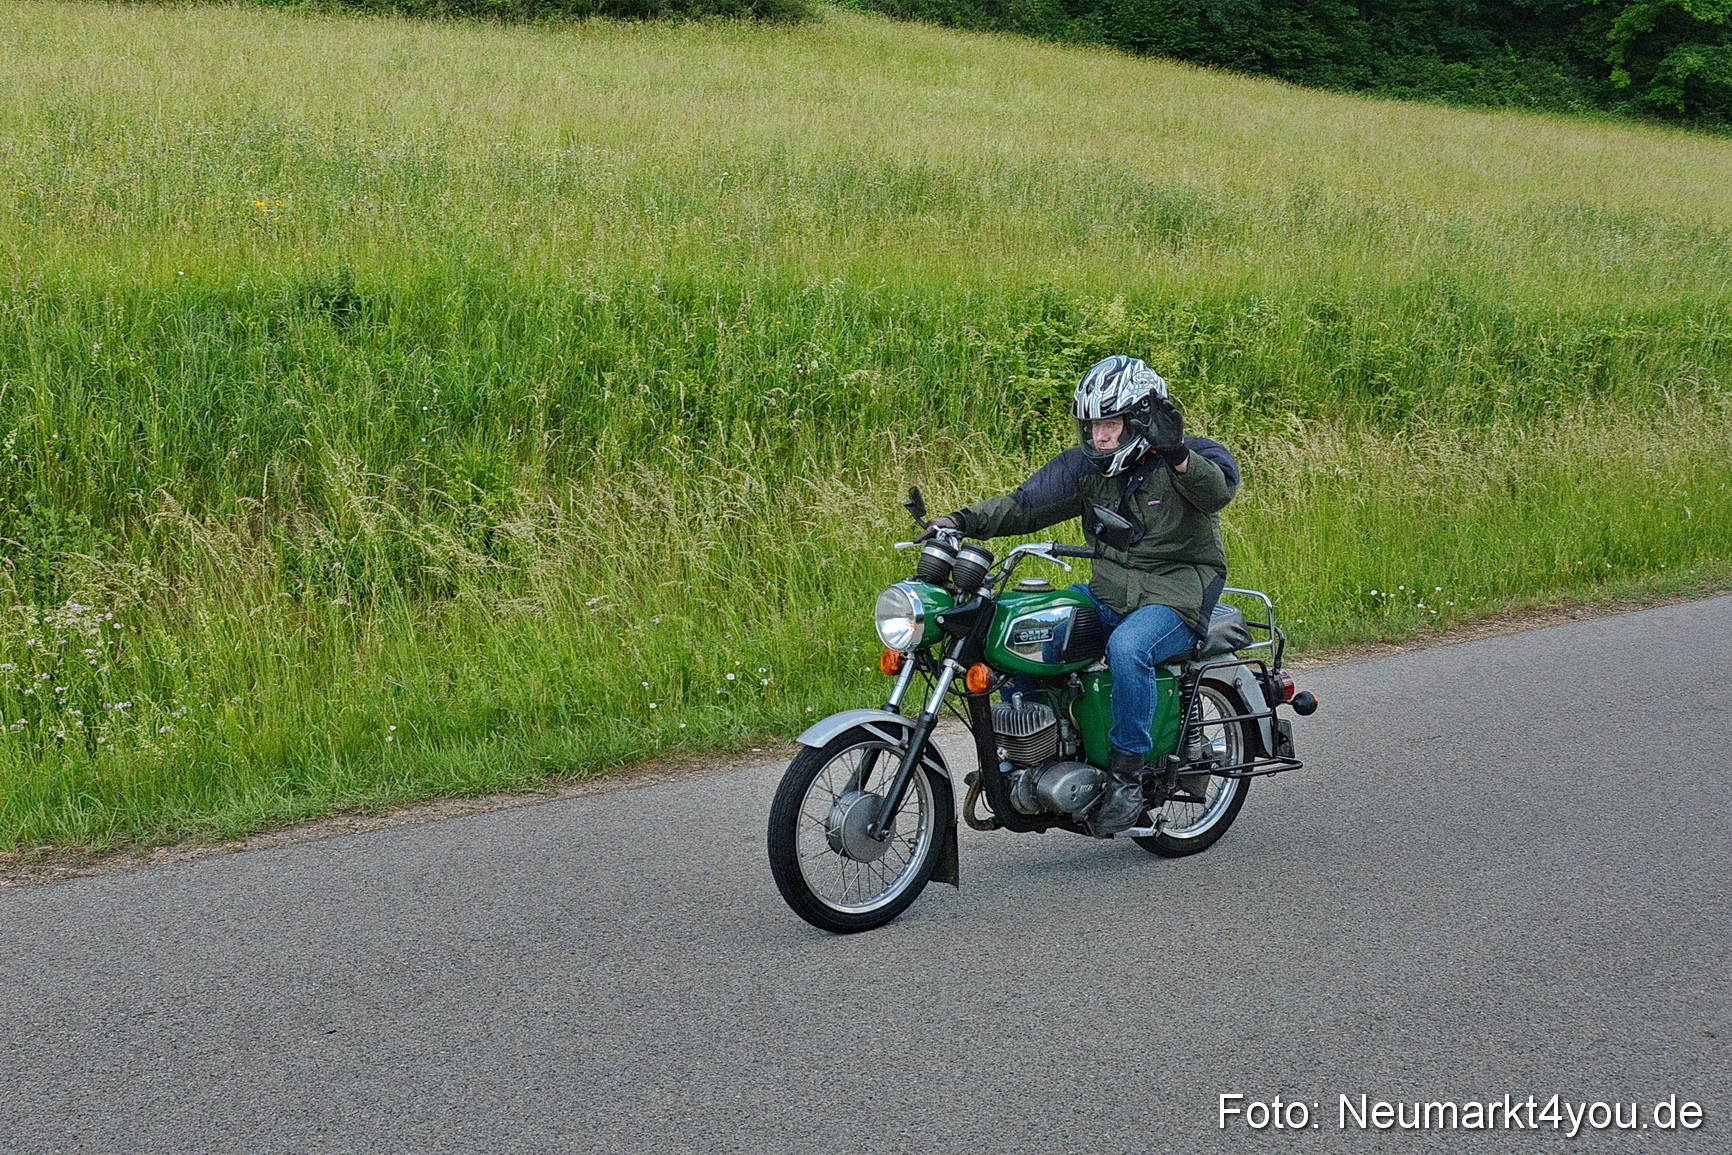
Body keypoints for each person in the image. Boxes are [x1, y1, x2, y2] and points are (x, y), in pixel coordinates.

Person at [921, 355, 1240, 836]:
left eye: (1110, 424)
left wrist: (1176, 453)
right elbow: (1025, 506)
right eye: (1091, 426)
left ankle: (1127, 779)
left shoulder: (1193, 456)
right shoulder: (1086, 466)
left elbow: (1217, 493)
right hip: (1108, 592)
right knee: (1020, 629)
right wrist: (959, 521)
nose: (1099, 437)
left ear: (1141, 420)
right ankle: (1030, 755)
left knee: (1129, 648)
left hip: (1178, 595)